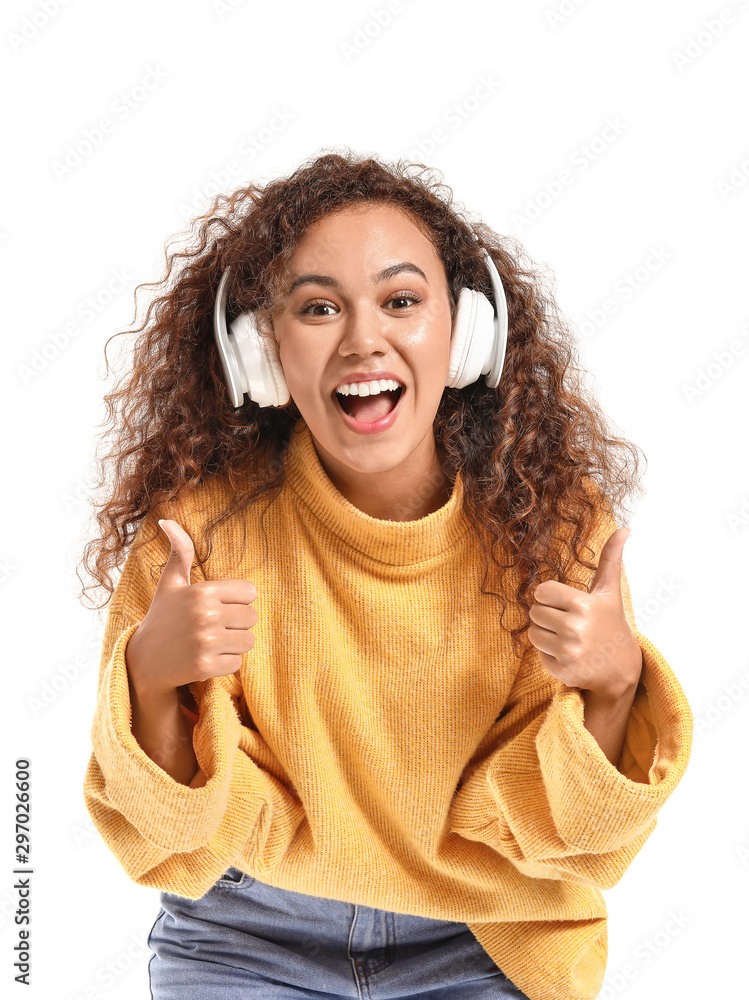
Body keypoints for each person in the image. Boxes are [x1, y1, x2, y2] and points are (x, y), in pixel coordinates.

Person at [79, 150, 693, 1000]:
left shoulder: (551, 528)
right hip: (246, 931)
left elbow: (579, 843)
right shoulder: (200, 533)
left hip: (488, 934)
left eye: (401, 301)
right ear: (262, 352)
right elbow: (165, 839)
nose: (364, 338)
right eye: (319, 307)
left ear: (467, 337)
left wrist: (616, 691)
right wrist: (149, 682)